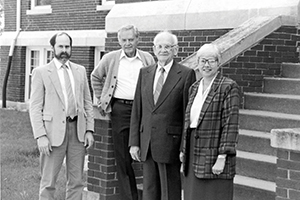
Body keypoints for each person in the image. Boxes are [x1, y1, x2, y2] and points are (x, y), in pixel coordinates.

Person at [129, 31, 196, 200]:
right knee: (149, 191)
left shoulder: (186, 74)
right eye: (160, 46)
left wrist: (184, 146)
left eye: (168, 47)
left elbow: (187, 114)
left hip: (170, 144)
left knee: (169, 192)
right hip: (147, 142)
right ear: (154, 49)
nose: (163, 50)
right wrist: (134, 143)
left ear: (176, 50)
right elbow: (138, 109)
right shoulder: (144, 73)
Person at [91, 24, 155, 200]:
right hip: (120, 109)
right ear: (119, 40)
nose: (128, 43)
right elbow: (95, 76)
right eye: (124, 40)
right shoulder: (111, 58)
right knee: (123, 158)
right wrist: (101, 99)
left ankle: (151, 194)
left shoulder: (147, 58)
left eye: (131, 39)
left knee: (148, 151)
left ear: (137, 39)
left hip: (144, 109)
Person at [29, 32, 94, 200]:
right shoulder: (41, 72)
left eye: (67, 46)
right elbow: (35, 107)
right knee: (48, 183)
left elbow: (87, 102)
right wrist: (41, 135)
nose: (64, 50)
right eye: (60, 46)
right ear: (53, 48)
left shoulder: (80, 71)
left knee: (76, 182)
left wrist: (89, 130)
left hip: (77, 132)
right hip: (52, 133)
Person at [180, 43, 240, 200]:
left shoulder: (228, 86)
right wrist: (183, 149)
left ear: (218, 62)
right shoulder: (194, 87)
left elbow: (230, 124)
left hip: (214, 149)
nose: (206, 65)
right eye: (202, 60)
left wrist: (222, 156)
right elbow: (188, 121)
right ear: (197, 63)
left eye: (211, 60)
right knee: (192, 195)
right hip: (193, 150)